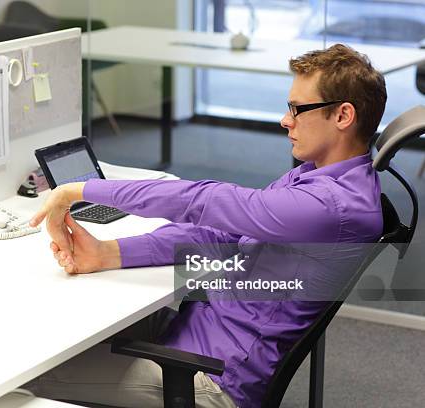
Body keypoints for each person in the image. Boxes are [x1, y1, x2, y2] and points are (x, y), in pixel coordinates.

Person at [26, 44, 387, 407]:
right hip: (191, 333)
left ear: (343, 116)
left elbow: (203, 200)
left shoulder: (331, 206)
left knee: (29, 375)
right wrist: (109, 253)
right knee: (51, 337)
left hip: (209, 377)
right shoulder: (316, 175)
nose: (285, 120)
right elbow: (221, 233)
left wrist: (80, 190)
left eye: (297, 108)